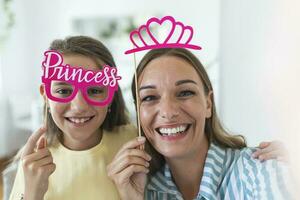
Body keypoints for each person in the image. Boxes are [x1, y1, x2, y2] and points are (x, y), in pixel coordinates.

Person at [107, 48, 293, 200]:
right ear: (138, 114)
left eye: (185, 93)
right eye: (149, 97)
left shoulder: (261, 170)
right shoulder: (144, 190)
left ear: (208, 104)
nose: (168, 112)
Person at [9, 36, 137, 200]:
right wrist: (32, 194)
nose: (79, 107)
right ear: (46, 96)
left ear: (111, 94)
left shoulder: (135, 142)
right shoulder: (33, 161)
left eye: (94, 91)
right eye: (63, 91)